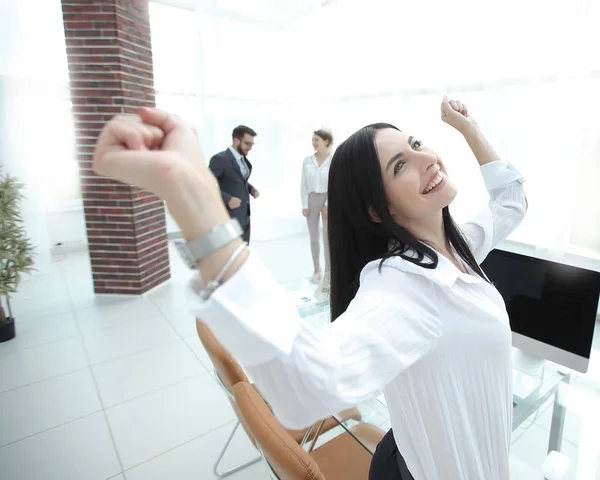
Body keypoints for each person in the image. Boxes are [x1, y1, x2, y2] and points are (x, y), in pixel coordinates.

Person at [92, 97, 527, 480]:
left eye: (414, 145)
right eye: (399, 166)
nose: (425, 159)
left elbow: (511, 203)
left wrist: (467, 127)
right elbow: (306, 387)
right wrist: (191, 194)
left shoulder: (458, 244)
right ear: (378, 209)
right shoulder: (403, 289)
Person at [209, 125, 259, 243]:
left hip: (244, 214)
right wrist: (228, 199)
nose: (250, 148)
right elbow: (207, 184)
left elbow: (239, 179)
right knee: (231, 251)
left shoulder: (243, 160)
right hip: (228, 216)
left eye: (252, 144)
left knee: (243, 250)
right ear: (236, 140)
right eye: (247, 144)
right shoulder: (220, 159)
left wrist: (250, 189)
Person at [300, 129, 333, 286]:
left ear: (326, 141)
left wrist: (327, 205)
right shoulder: (307, 160)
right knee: (314, 239)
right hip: (312, 199)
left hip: (328, 199)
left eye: (316, 140)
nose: (313, 143)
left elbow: (336, 186)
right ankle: (316, 270)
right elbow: (303, 184)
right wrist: (305, 204)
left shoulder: (333, 161)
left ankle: (328, 274)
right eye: (312, 140)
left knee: (327, 239)